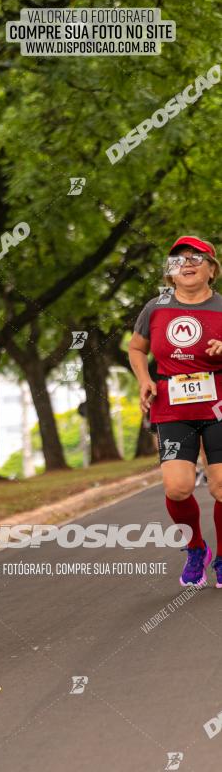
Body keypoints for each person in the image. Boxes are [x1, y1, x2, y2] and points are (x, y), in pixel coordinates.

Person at [129, 235, 222, 588]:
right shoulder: (156, 307)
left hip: (218, 405)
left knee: (221, 487)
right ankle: (196, 548)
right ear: (170, 270)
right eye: (179, 258)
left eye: (197, 258)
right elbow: (137, 349)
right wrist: (143, 380)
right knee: (178, 487)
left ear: (211, 270)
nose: (187, 263)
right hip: (172, 405)